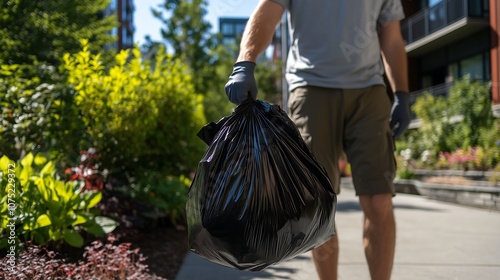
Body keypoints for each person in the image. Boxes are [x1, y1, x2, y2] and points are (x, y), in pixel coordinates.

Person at [224, 0, 411, 279]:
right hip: (311, 88)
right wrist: (245, 62)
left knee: (379, 199)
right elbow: (267, 12)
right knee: (319, 203)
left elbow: (392, 37)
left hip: (368, 89)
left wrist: (402, 94)